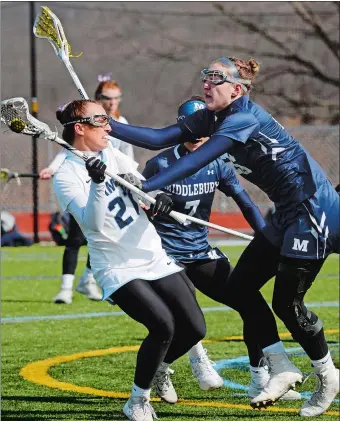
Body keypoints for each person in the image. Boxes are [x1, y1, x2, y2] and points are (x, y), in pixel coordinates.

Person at [106, 57, 340, 417]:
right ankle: (280, 367)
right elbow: (158, 138)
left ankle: (327, 375)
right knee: (240, 288)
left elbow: (192, 163)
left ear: (236, 89)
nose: (206, 83)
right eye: (205, 76)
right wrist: (105, 126)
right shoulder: (210, 118)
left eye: (216, 78)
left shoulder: (244, 118)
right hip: (286, 214)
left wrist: (144, 188)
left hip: (312, 213)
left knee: (286, 304)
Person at [52, 99, 206, 421]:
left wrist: (158, 198)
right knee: (163, 325)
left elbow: (138, 186)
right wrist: (96, 184)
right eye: (101, 120)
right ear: (80, 128)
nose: (109, 126)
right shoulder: (66, 174)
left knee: (194, 327)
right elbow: (91, 224)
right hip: (116, 266)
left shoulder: (110, 153)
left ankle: (160, 369)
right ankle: (137, 400)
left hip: (150, 253)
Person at [143, 96, 300, 403]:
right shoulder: (159, 163)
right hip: (165, 256)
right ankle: (166, 367)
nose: (197, 140)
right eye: (191, 133)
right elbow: (137, 198)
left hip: (199, 251)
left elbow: (247, 204)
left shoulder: (217, 163)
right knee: (188, 323)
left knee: (250, 303)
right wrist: (155, 200)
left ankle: (261, 378)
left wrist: (266, 238)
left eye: (204, 134)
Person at [40, 75, 134, 304]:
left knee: (108, 235)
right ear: (99, 98)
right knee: (77, 236)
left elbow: (126, 157)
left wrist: (133, 181)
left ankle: (95, 280)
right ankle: (66, 287)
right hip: (85, 184)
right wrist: (52, 168)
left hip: (115, 185)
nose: (112, 103)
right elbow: (69, 149)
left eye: (115, 98)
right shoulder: (87, 122)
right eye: (106, 99)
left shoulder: (121, 125)